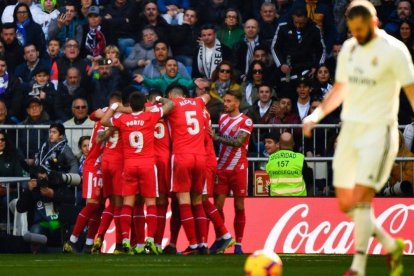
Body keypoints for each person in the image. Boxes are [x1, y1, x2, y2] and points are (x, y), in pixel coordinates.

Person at [302, 2, 414, 275]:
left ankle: (358, 265)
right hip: (352, 130)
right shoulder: (350, 49)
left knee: (362, 197)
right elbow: (340, 89)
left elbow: (411, 90)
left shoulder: (395, 50)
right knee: (346, 202)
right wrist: (316, 116)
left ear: (375, 22)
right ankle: (390, 244)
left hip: (380, 130)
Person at [100, 91, 175, 254]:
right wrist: (159, 99)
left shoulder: (123, 119)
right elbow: (171, 105)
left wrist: (113, 107)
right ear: (144, 105)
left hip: (129, 165)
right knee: (151, 203)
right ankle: (150, 240)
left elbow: (104, 120)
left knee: (128, 203)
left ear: (129, 105)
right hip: (147, 164)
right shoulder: (151, 117)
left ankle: (126, 239)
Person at [166, 84, 210, 254]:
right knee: (197, 201)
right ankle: (203, 243)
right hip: (200, 157)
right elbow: (207, 97)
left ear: (171, 95)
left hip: (182, 156)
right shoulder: (197, 102)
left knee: (183, 201)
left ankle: (192, 244)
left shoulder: (172, 106)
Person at [212, 89, 253, 255]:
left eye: (229, 101)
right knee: (217, 206)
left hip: (239, 168)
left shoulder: (246, 121)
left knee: (239, 206)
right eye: (225, 101)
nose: (226, 104)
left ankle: (239, 244)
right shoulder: (222, 118)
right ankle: (221, 239)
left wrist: (217, 138)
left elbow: (238, 142)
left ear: (237, 103)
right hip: (222, 168)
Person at [63, 120, 106, 254]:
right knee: (92, 205)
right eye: (84, 146)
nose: (87, 148)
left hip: (106, 168)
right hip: (94, 169)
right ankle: (72, 240)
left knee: (100, 208)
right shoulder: (103, 122)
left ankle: (89, 244)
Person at [270, 7, 326, 90]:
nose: (298, 26)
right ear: (293, 17)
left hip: (307, 68)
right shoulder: (283, 27)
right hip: (287, 69)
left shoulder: (315, 29)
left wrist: (317, 66)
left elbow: (321, 50)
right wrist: (281, 64)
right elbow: (274, 47)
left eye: (301, 23)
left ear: (306, 19)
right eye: (296, 22)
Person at [265, 132, 307, 196]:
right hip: (298, 200)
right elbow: (308, 178)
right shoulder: (300, 158)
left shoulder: (271, 159)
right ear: (293, 144)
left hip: (276, 200)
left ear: (279, 144)